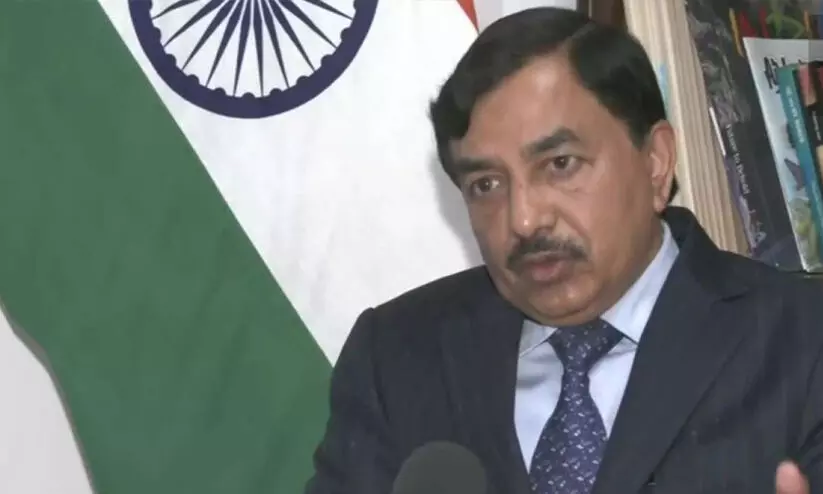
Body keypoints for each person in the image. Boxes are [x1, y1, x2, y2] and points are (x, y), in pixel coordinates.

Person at [304, 7, 823, 494]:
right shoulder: (398, 358)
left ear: (656, 162)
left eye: (560, 164)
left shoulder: (803, 340)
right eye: (486, 185)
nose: (524, 219)